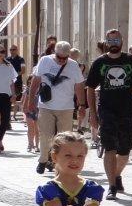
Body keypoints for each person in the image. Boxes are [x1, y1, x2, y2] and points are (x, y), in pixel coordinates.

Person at [86, 29, 132, 200]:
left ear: (122, 41)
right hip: (106, 110)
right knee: (110, 149)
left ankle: (116, 174)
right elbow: (90, 88)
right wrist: (92, 115)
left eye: (116, 40)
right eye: (110, 40)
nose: (113, 43)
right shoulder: (99, 62)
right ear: (106, 42)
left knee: (125, 152)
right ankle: (112, 185)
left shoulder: (131, 60)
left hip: (126, 110)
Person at [26, 41, 85, 174]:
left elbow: (79, 86)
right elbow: (36, 81)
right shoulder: (45, 61)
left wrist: (82, 105)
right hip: (46, 105)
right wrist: (31, 101)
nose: (62, 61)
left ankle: (57, 164)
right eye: (59, 58)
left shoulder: (73, 65)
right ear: (55, 53)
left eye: (65, 58)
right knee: (45, 135)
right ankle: (42, 160)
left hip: (66, 107)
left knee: (64, 138)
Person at [8, 44, 26, 121]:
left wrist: (14, 75)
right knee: (8, 98)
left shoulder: (21, 59)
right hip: (8, 82)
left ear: (17, 50)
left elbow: (23, 70)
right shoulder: (7, 59)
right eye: (11, 50)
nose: (12, 51)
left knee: (15, 98)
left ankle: (14, 115)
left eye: (14, 49)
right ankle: (8, 115)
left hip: (17, 82)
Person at [24, 75, 39, 153]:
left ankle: (37, 145)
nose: (31, 82)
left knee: (37, 129)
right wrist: (24, 108)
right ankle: (30, 144)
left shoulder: (41, 89)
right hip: (29, 110)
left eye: (32, 80)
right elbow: (25, 100)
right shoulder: (28, 90)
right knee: (30, 128)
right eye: (30, 81)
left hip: (38, 110)